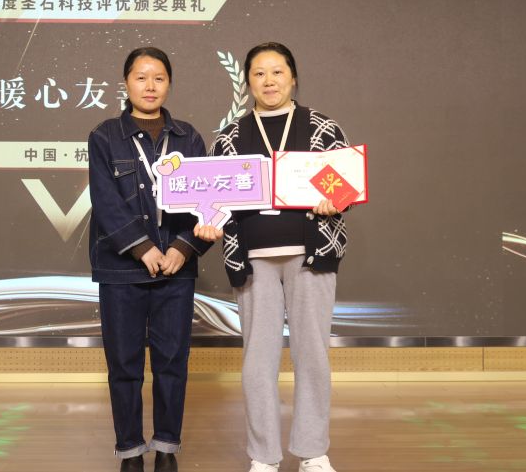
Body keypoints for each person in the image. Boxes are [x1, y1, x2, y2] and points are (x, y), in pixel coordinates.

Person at [199, 42, 351, 472]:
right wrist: (208, 220)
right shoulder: (230, 137)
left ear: (293, 77)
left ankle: (313, 452)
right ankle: (263, 456)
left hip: (311, 256)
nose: (269, 81)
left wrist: (334, 200)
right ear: (247, 82)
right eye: (259, 73)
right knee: (258, 359)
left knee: (312, 355)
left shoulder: (321, 127)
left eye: (278, 72)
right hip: (252, 259)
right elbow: (214, 199)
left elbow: (345, 187)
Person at [89, 47, 213, 472]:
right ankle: (129, 451)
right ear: (126, 83)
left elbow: (206, 201)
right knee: (124, 365)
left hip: (176, 269)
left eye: (159, 78)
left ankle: (166, 447)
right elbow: (106, 202)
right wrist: (143, 248)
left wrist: (183, 247)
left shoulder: (188, 138)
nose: (150, 86)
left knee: (172, 362)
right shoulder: (104, 136)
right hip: (122, 269)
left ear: (169, 84)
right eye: (141, 77)